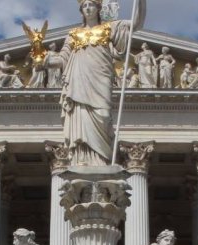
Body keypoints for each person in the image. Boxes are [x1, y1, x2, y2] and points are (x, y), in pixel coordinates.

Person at [59, 0, 147, 166]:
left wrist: (141, 2)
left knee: (104, 115)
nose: (88, 8)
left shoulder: (109, 28)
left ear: (98, 8)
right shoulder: (73, 34)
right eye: (84, 6)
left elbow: (136, 23)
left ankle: (102, 160)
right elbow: (62, 58)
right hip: (79, 80)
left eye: (91, 5)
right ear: (81, 10)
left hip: (101, 78)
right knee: (81, 116)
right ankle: (83, 159)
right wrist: (43, 58)